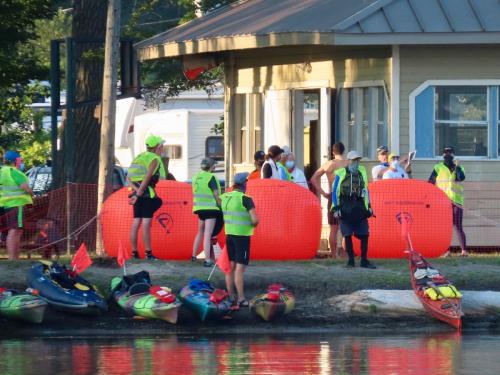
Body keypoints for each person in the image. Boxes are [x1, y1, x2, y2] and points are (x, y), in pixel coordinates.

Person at [220, 172, 259, 309]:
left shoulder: (224, 197)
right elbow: (255, 220)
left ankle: (231, 297)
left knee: (230, 268)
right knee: (239, 269)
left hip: (229, 235)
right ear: (244, 184)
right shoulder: (246, 199)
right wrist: (253, 224)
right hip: (242, 237)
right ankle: (241, 299)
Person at [332, 151, 376, 269]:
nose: (356, 163)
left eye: (357, 160)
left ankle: (364, 261)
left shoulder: (362, 172)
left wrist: (370, 207)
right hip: (345, 207)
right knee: (347, 234)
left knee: (364, 234)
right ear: (348, 161)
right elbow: (335, 192)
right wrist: (336, 209)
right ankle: (350, 261)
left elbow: (366, 191)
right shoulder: (340, 174)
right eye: (353, 160)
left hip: (359, 206)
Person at [127, 135, 166, 260]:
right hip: (146, 193)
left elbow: (128, 178)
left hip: (135, 191)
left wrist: (136, 192)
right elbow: (147, 178)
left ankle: (134, 253)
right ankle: (148, 254)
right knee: (146, 223)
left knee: (136, 222)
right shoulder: (154, 159)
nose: (163, 148)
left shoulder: (139, 157)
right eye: (161, 146)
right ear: (157, 147)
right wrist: (140, 193)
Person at [310, 142, 348, 256]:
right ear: (343, 151)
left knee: (333, 228)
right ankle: (345, 254)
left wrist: (323, 193)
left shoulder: (328, 164)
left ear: (333, 152)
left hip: (333, 196)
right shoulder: (348, 163)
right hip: (346, 196)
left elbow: (313, 179)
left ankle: (333, 254)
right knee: (346, 228)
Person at [428, 147, 467, 257]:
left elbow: (461, 178)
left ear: (453, 155)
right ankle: (446, 251)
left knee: (458, 226)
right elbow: (430, 182)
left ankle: (464, 251)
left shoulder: (459, 167)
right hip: (443, 201)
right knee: (445, 226)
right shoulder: (438, 167)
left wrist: (457, 166)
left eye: (449, 153)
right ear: (443, 155)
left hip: (457, 201)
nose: (447, 155)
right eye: (445, 153)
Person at [0, 151, 33, 260]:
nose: (21, 162)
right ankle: (13, 258)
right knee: (14, 230)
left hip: (5, 205)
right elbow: (26, 188)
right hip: (16, 204)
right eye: (20, 160)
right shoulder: (14, 172)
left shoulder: (2, 171)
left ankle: (14, 257)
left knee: (16, 230)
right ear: (15, 161)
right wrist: (32, 193)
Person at [191, 157, 223, 267]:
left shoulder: (196, 177)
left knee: (200, 232)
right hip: (211, 209)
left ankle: (194, 256)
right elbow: (216, 195)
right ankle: (208, 260)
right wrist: (221, 206)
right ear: (211, 167)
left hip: (199, 209)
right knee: (208, 234)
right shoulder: (211, 177)